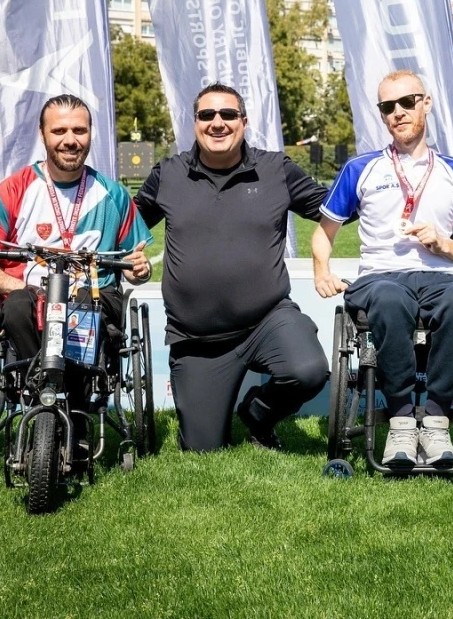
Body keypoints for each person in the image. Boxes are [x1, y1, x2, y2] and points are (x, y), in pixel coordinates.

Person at [134, 83, 330, 453]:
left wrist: (381, 186)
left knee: (308, 371)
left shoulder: (276, 170)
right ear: (195, 122)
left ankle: (259, 414)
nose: (217, 122)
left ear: (244, 121)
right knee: (203, 449)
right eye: (207, 115)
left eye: (228, 114)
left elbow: (334, 208)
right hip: (197, 339)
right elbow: (127, 225)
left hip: (268, 320)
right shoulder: (168, 175)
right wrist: (132, 259)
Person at [312, 70, 453, 469]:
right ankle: (402, 421)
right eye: (388, 106)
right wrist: (321, 270)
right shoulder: (361, 168)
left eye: (407, 102)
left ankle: (437, 422)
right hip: (380, 277)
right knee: (391, 300)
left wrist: (442, 243)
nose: (398, 112)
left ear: (426, 103)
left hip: (441, 277)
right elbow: (323, 233)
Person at [0, 93, 153, 392]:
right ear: (43, 135)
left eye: (79, 130)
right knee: (17, 306)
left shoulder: (113, 195)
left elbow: (134, 267)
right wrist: (23, 288)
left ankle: (75, 397)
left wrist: (140, 269)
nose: (70, 140)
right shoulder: (13, 190)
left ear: (90, 133)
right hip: (29, 295)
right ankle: (37, 389)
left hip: (93, 294)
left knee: (83, 306)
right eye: (59, 131)